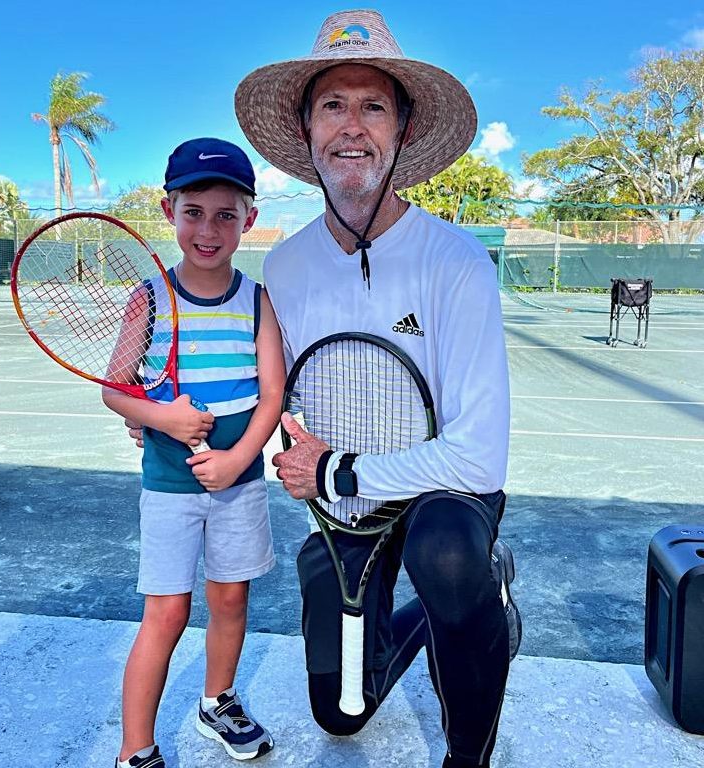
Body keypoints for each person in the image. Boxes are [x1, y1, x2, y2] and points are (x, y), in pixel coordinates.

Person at [232, 10, 522, 768]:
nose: (351, 127)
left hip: (440, 497)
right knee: (340, 716)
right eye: (332, 104)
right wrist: (174, 418)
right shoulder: (286, 269)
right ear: (304, 131)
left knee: (448, 556)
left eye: (372, 106)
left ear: (401, 128)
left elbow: (479, 458)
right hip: (345, 512)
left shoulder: (456, 261)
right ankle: (448, 613)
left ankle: (467, 749)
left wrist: (335, 468)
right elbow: (267, 391)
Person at [105, 137, 284, 767]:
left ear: (249, 220)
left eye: (226, 214)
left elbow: (272, 395)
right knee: (167, 612)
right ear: (169, 211)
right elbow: (116, 390)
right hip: (169, 487)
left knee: (231, 598)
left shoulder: (257, 300)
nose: (208, 229)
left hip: (239, 484)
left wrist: (238, 461)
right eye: (194, 212)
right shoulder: (149, 299)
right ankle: (136, 750)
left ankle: (218, 701)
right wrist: (166, 418)